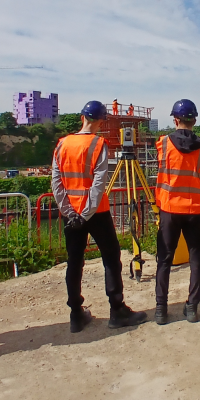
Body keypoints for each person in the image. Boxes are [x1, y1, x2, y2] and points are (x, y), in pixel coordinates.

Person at [52, 100, 147, 333]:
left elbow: (56, 182)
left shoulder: (62, 144)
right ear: (102, 121)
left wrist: (70, 212)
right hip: (96, 212)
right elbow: (98, 182)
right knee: (111, 258)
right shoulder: (98, 144)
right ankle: (117, 310)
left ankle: (76, 314)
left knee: (74, 262)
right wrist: (85, 214)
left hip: (71, 214)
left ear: (82, 117)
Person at [154, 99, 200, 324]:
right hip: (194, 209)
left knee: (164, 260)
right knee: (197, 258)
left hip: (169, 208)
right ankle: (192, 307)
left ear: (175, 120)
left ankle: (161, 309)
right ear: (194, 120)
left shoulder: (163, 143)